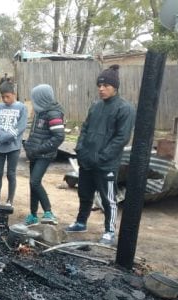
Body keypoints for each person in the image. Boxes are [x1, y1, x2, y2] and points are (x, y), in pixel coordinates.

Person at [67, 65, 135, 245]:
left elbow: (122, 138)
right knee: (84, 194)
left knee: (108, 199)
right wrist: (80, 149)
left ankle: (109, 231)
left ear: (115, 87)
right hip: (87, 161)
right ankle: (81, 222)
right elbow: (85, 128)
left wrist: (102, 157)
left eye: (105, 86)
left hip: (106, 164)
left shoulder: (125, 108)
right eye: (99, 85)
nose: (101, 89)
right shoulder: (96, 106)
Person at [23, 84, 65, 225]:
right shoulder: (39, 112)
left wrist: (39, 149)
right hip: (34, 153)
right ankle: (33, 215)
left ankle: (48, 212)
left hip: (45, 155)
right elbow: (35, 132)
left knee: (35, 181)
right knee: (32, 184)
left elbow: (58, 137)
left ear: (42, 98)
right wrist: (28, 146)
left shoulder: (53, 113)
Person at [0, 82, 27, 206]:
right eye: (3, 97)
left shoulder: (21, 107)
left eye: (8, 96)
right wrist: (1, 136)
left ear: (14, 94)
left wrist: (5, 137)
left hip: (14, 147)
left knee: (11, 173)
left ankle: (9, 200)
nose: (5, 99)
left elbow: (21, 126)